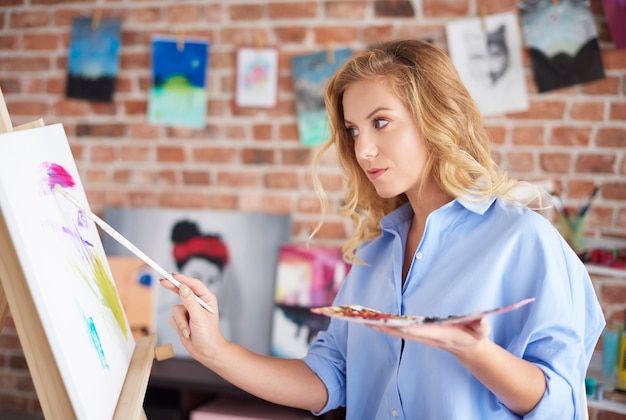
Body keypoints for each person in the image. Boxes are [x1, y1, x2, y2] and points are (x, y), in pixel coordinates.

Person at [163, 39, 605, 419]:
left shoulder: (525, 240)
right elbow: (326, 379)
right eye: (353, 131)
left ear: (436, 119)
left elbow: (562, 404)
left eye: (380, 122)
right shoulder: (374, 256)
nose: (364, 149)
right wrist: (214, 349)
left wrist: (475, 350)